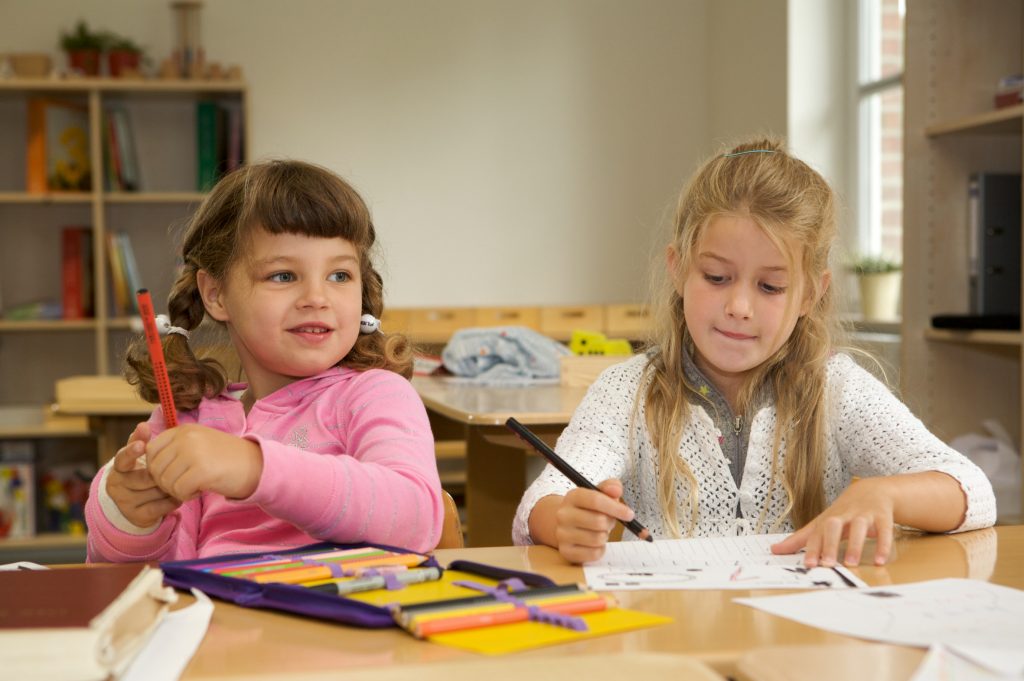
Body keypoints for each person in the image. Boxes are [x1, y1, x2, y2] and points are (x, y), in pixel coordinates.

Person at [513, 138, 996, 566]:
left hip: (798, 633)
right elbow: (543, 501)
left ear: (810, 294)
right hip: (672, 629)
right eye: (716, 277)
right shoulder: (627, 392)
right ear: (678, 269)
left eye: (770, 287)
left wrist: (885, 494)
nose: (739, 307)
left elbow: (972, 490)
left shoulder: (837, 388)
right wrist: (566, 521)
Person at [86, 160, 444, 561]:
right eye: (283, 276)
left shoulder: (375, 395)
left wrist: (254, 468)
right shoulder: (190, 418)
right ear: (216, 294)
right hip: (216, 602)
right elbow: (155, 573)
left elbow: (415, 518)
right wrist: (130, 519)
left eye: (340, 275)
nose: (317, 297)